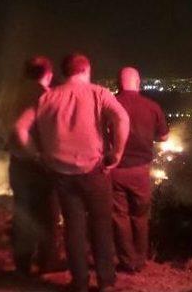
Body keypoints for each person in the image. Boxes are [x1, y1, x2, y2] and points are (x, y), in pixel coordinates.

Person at [15, 53, 129, 292]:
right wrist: (117, 153)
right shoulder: (99, 93)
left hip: (61, 173)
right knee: (101, 226)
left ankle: (80, 283)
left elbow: (20, 128)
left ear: (64, 72)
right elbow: (121, 117)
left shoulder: (47, 98)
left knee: (73, 227)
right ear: (86, 69)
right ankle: (105, 280)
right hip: (94, 170)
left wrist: (36, 153)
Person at [7, 56, 62, 275]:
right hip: (42, 163)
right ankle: (46, 261)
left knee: (22, 212)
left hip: (17, 163)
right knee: (48, 213)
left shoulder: (10, 97)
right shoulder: (47, 97)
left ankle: (22, 263)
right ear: (47, 74)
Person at [112, 67, 168, 273]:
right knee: (140, 216)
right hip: (140, 171)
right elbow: (163, 136)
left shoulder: (109, 104)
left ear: (118, 83)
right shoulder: (151, 107)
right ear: (138, 83)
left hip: (115, 169)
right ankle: (140, 260)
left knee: (119, 216)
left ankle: (127, 261)